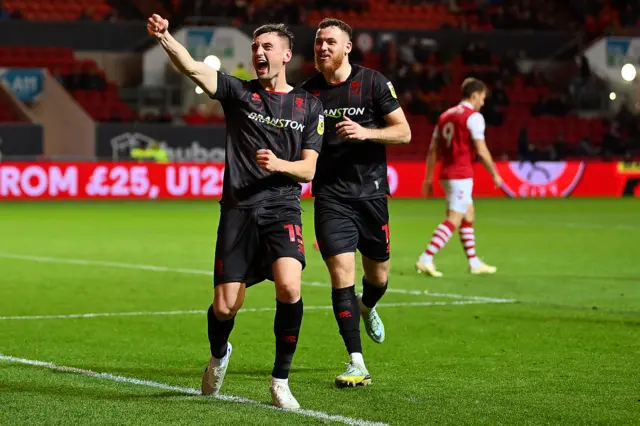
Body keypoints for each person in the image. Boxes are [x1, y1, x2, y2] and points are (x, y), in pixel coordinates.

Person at [147, 15, 324, 409]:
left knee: (290, 287)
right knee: (226, 306)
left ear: (286, 55)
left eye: (267, 48)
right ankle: (220, 354)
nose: (259, 54)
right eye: (255, 48)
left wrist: (278, 164)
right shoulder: (238, 93)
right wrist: (164, 38)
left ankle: (280, 380)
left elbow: (309, 169)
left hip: (282, 207)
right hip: (239, 210)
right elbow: (193, 67)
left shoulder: (309, 106)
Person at [301, 18, 411, 388]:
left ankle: (368, 306)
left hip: (371, 194)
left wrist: (366, 133)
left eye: (330, 41)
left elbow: (404, 132)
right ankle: (356, 361)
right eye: (318, 42)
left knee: (378, 278)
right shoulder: (307, 93)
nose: (322, 48)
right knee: (341, 277)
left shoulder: (373, 83)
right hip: (330, 197)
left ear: (348, 47)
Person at [416, 78, 501, 277]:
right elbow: (480, 148)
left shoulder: (445, 115)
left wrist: (428, 178)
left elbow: (433, 150)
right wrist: (495, 173)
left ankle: (474, 262)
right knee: (453, 218)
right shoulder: (474, 117)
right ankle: (426, 258)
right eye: (482, 97)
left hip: (447, 172)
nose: (483, 102)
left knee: (468, 213)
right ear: (474, 95)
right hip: (460, 174)